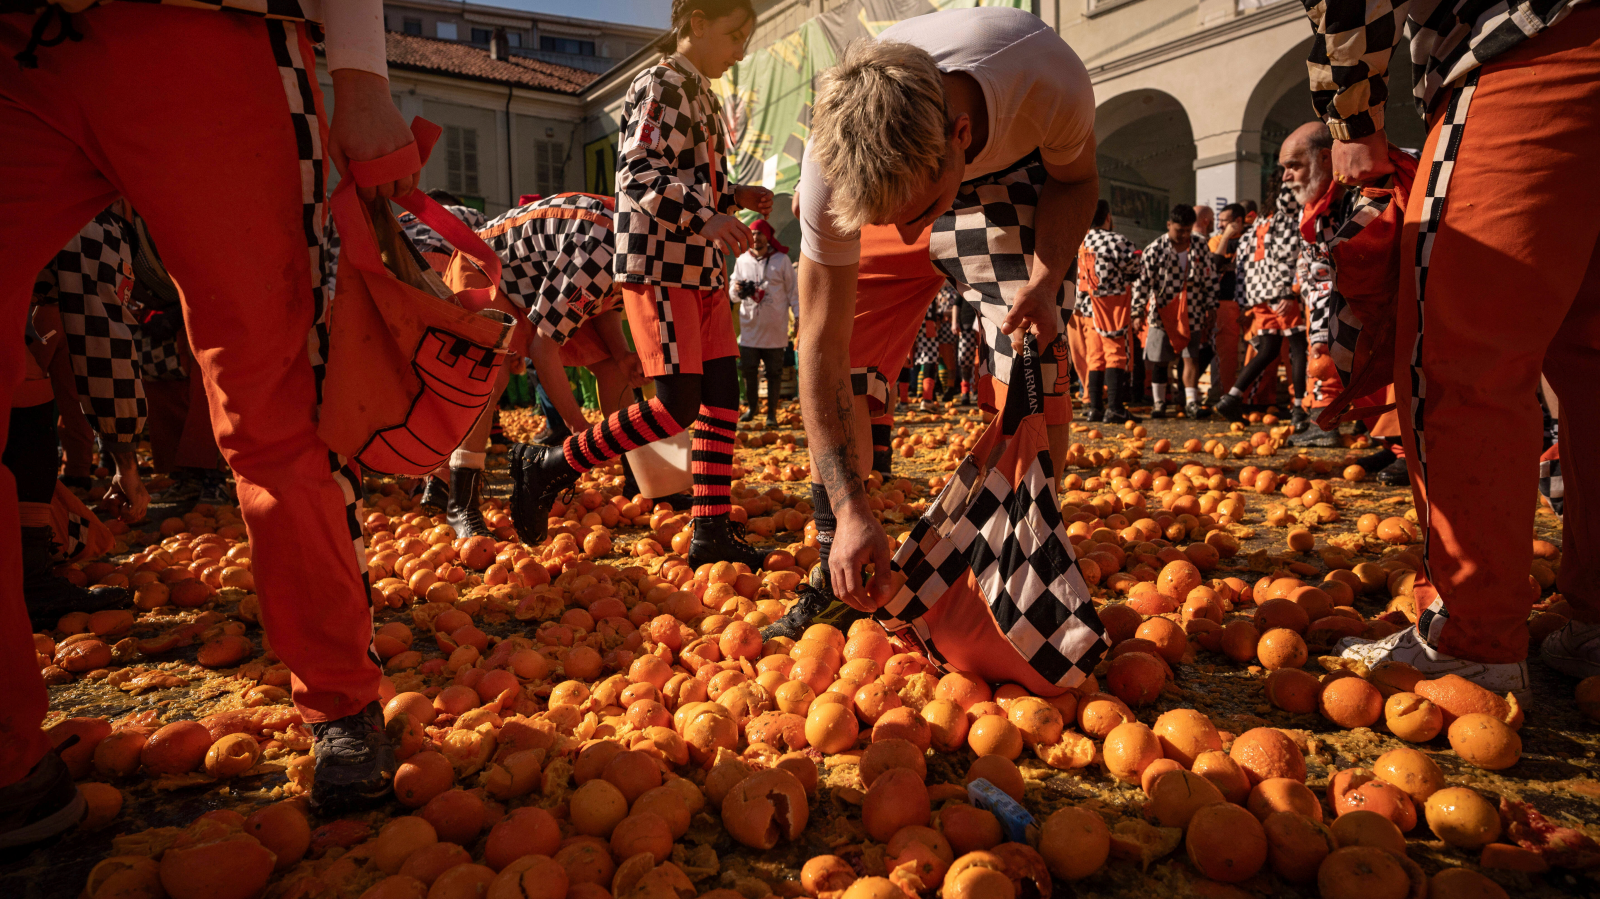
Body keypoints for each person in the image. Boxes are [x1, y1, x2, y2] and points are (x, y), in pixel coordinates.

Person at [2, 0, 418, 837]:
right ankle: (8, 759)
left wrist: (362, 77)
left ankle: (341, 700)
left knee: (270, 396)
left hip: (202, 25)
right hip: (18, 45)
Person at [1304, 0, 1598, 689]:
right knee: (1589, 357)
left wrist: (1351, 113)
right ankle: (1591, 614)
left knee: (1461, 348)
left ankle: (1474, 633)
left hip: (1527, 40)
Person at [792, 5, 1099, 622]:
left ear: (961, 134)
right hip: (903, 175)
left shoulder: (1047, 80)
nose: (909, 237)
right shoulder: (831, 164)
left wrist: (1044, 282)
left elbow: (1077, 180)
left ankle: (1017, 561)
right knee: (844, 356)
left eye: (919, 213)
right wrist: (851, 511)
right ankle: (839, 556)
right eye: (890, 223)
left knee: (1032, 362)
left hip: (1013, 176)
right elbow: (819, 347)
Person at [506, 0, 774, 570]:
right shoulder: (659, 82)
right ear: (697, 23)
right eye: (733, 35)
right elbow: (638, 172)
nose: (741, 51)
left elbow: (690, 179)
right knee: (677, 406)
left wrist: (735, 197)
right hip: (661, 265)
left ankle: (709, 532)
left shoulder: (701, 92)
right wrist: (708, 216)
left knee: (723, 399)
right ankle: (551, 463)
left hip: (700, 267)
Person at [1214, 179, 1309, 426]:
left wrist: (1246, 301)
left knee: (1268, 349)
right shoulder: (1287, 218)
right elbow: (1294, 252)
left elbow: (1242, 266)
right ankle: (1300, 408)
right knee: (1299, 347)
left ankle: (1232, 397)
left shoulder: (1257, 225)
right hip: (1282, 293)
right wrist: (1291, 291)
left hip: (1258, 296)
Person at [1133, 205, 1220, 421]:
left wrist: (1211, 306)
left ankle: (1191, 403)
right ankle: (1159, 403)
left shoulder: (1200, 245)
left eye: (1187, 231)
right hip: (1162, 314)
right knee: (1160, 360)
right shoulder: (1154, 250)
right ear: (1169, 225)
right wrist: (1137, 312)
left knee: (1191, 358)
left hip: (1194, 311)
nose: (1183, 235)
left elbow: (1210, 278)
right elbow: (1142, 284)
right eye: (1179, 230)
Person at [1076, 200, 1142, 424]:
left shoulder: (1080, 241)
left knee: (1095, 357)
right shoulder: (1116, 240)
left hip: (1087, 306)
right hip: (1112, 304)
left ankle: (1095, 408)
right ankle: (1114, 407)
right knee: (1116, 355)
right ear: (1108, 217)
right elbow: (1135, 266)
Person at [733, 219, 797, 426]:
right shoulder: (742, 260)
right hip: (749, 330)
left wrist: (798, 318)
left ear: (768, 237)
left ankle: (771, 415)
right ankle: (752, 408)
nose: (755, 239)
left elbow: (794, 293)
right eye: (752, 235)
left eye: (759, 234)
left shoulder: (782, 260)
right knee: (749, 371)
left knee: (774, 373)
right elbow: (732, 295)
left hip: (775, 331)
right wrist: (737, 290)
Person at [1207, 203, 1248, 404]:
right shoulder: (1215, 240)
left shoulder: (1249, 239)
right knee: (1225, 354)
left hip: (1248, 303)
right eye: (1220, 220)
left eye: (1224, 220)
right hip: (1224, 303)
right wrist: (1225, 237)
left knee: (1253, 351)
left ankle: (1248, 396)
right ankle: (1224, 395)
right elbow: (1214, 265)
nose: (1220, 224)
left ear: (1238, 221)